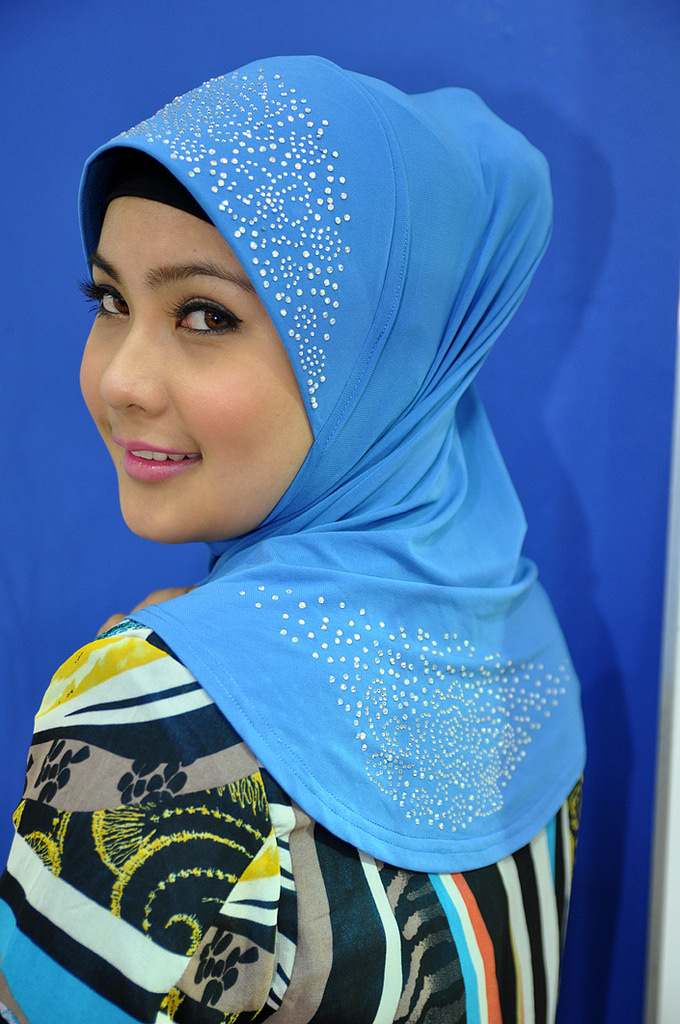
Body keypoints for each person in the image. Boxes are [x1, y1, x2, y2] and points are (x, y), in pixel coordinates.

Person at [0, 56, 585, 1023]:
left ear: (374, 352)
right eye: (110, 300)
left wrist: (157, 688)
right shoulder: (516, 642)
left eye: (205, 315)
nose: (120, 381)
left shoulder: (150, 722)